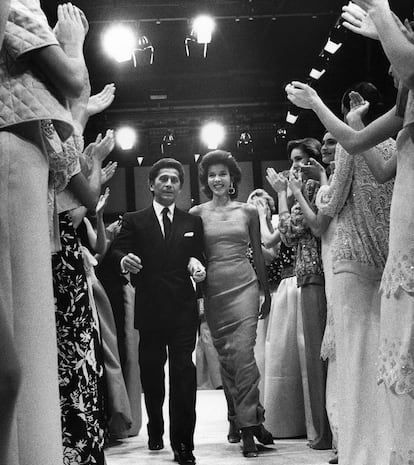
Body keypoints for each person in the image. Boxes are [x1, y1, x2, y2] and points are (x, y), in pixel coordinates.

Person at [285, 29, 403, 465]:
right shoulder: (394, 142)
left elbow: (329, 208)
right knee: (386, 353)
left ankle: (359, 447)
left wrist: (311, 190)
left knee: (354, 360)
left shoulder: (355, 147)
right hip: (391, 256)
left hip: (353, 261)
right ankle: (387, 442)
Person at [0, 2, 87, 464]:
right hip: (14, 150)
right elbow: (73, 80)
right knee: (25, 332)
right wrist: (73, 43)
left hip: (20, 152)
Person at [109, 158, 206, 465]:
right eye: (163, 179)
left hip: (182, 308)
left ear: (180, 186)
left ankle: (183, 444)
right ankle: (155, 425)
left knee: (183, 373)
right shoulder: (134, 220)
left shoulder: (192, 222)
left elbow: (199, 255)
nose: (168, 184)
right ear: (151, 184)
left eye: (174, 180)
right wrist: (123, 260)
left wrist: (197, 264)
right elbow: (117, 250)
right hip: (149, 308)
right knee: (151, 374)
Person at [190, 150, 273, 458]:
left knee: (244, 356)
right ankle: (239, 416)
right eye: (212, 175)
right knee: (227, 360)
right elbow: (193, 255)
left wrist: (266, 291)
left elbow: (258, 253)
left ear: (232, 178)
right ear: (206, 180)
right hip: (214, 290)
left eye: (222, 174)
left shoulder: (248, 211)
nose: (217, 179)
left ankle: (249, 428)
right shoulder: (197, 213)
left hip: (245, 286)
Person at [266, 138, 332, 450]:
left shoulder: (311, 188)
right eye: (292, 160)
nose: (293, 166)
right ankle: (322, 429)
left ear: (312, 160)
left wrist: (283, 193)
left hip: (314, 273)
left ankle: (323, 432)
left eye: (298, 159)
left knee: (317, 357)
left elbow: (289, 233)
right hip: (317, 272)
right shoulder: (313, 187)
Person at [249, 188, 307, 439]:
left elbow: (271, 253)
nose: (257, 207)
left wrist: (261, 219)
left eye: (261, 204)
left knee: (283, 355)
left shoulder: (279, 222)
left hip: (282, 287)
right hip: (259, 292)